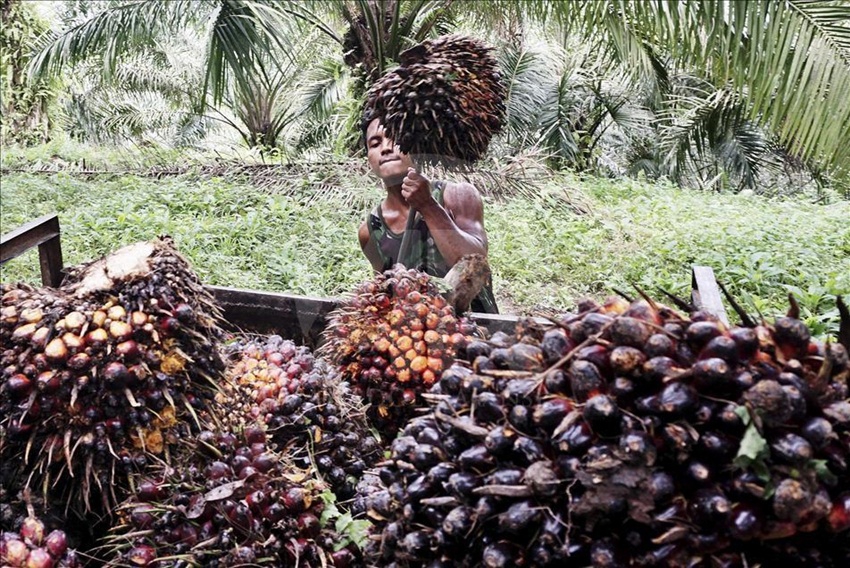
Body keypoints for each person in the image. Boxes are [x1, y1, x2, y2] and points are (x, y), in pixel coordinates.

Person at [358, 116, 499, 313]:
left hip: (476, 332)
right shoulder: (371, 230)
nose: (386, 148)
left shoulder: (457, 196)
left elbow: (475, 263)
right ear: (368, 159)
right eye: (375, 143)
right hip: (417, 338)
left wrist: (428, 206)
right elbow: (385, 293)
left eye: (395, 137)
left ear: (414, 144)